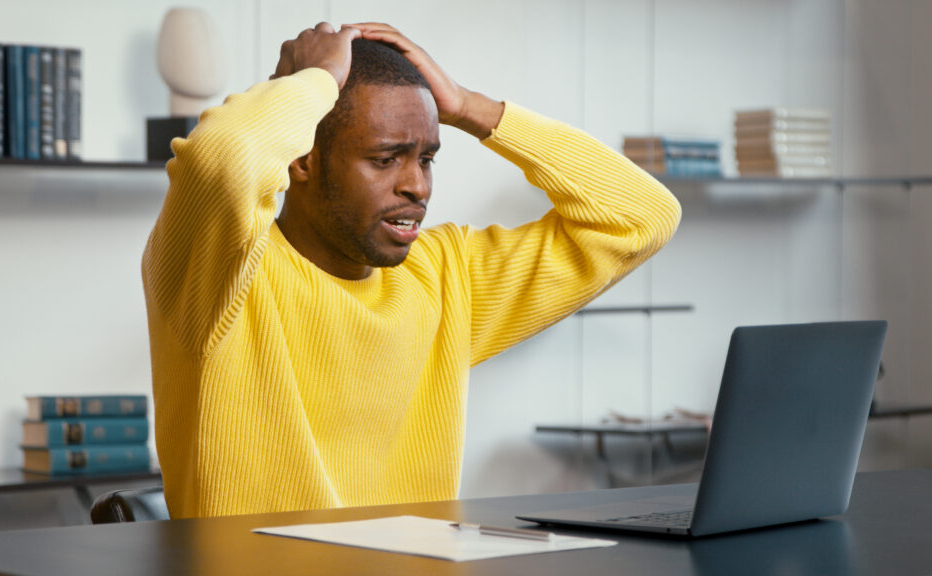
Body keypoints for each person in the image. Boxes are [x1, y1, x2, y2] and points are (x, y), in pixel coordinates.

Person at [142, 22, 681, 519]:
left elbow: (642, 216)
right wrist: (314, 82)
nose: (417, 186)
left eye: (425, 158)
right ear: (301, 159)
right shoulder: (216, 273)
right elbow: (221, 159)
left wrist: (472, 108)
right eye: (385, 159)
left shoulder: (447, 276)